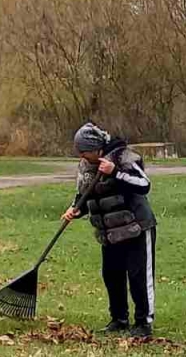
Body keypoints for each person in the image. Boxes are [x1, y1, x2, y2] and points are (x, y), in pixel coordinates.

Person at [61, 123, 158, 340]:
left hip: (136, 227)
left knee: (139, 277)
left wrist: (115, 172)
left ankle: (143, 322)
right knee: (112, 275)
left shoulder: (123, 156)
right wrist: (75, 209)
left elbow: (143, 184)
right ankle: (119, 319)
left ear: (96, 148)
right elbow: (84, 195)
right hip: (110, 232)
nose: (81, 155)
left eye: (84, 151)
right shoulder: (85, 165)